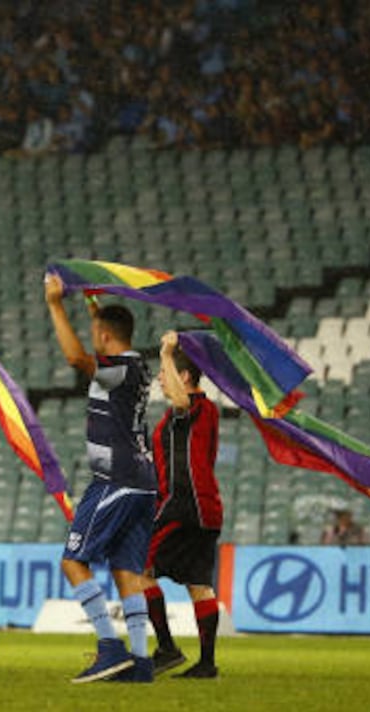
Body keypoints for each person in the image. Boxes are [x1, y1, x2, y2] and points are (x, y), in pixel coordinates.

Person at [44, 273, 157, 683]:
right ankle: (141, 662)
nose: (92, 337)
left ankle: (109, 649)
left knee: (73, 562)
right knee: (127, 571)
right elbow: (104, 338)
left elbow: (78, 359)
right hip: (143, 482)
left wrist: (57, 304)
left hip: (116, 479)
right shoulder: (137, 365)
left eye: (95, 332)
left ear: (105, 336)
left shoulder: (118, 370)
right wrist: (93, 304)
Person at [139, 331, 223, 679]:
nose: (161, 379)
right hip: (205, 508)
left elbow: (181, 402)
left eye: (166, 373)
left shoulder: (191, 408)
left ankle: (167, 648)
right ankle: (206, 663)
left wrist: (166, 352)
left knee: (136, 567)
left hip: (183, 504)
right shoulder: (202, 412)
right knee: (198, 584)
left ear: (184, 376)